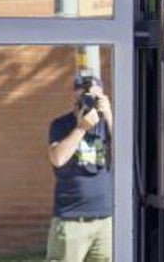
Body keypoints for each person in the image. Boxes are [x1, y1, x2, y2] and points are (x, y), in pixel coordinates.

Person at [46, 74, 113, 262]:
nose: (89, 100)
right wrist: (81, 128)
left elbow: (127, 156)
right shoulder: (61, 124)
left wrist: (108, 115)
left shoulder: (106, 124)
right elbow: (57, 158)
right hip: (71, 220)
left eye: (95, 96)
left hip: (105, 221)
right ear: (75, 97)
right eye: (85, 95)